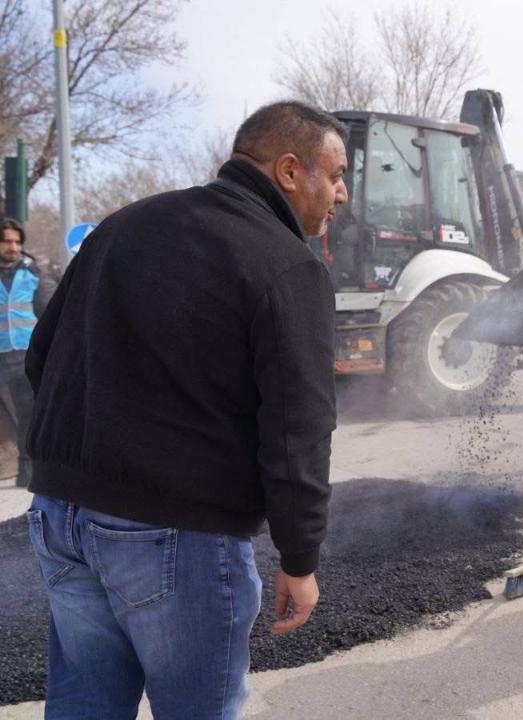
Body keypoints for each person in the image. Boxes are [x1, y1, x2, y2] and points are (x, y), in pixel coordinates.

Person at [23, 101, 347, 718]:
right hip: (174, 536)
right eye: (334, 175)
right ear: (287, 170)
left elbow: (45, 357)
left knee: (83, 704)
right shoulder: (287, 265)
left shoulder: (123, 226)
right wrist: (299, 558)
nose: (342, 194)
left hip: (59, 519)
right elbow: (297, 431)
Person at [0, 218, 53, 488]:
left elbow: (49, 310)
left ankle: (28, 472)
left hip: (23, 356)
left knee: (28, 415)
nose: (13, 246)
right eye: (7, 241)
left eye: (17, 242)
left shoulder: (32, 273)